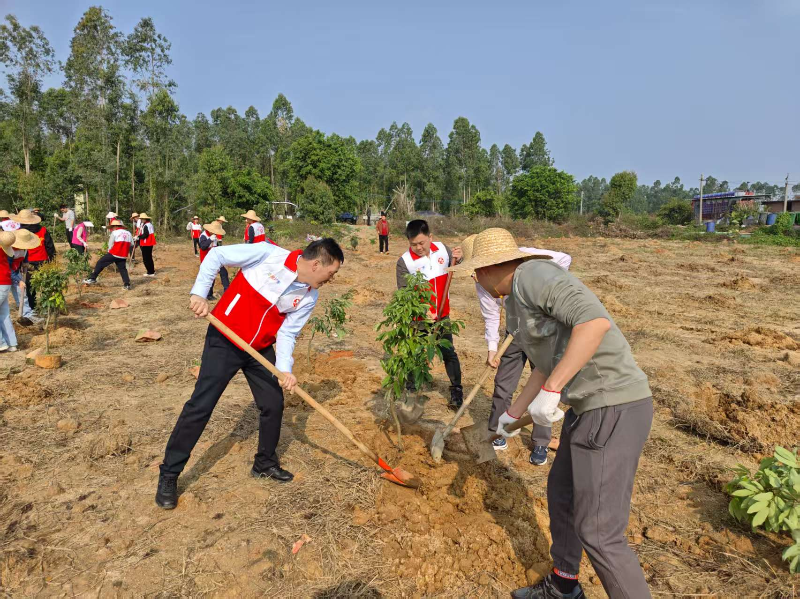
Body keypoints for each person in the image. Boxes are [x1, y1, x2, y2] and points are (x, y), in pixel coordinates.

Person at [452, 228, 653, 599]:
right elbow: (545, 365)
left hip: (612, 405)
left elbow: (593, 324)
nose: (476, 282)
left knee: (599, 532)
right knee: (561, 494)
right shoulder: (515, 300)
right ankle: (563, 586)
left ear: (487, 269)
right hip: (586, 408)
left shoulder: (535, 275)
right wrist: (511, 417)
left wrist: (552, 390)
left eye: (475, 275)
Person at [155, 237, 345, 510]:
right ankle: (169, 474)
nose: (331, 279)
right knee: (201, 405)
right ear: (316, 264)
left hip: (259, 349)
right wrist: (199, 292)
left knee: (273, 403)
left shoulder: (309, 295)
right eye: (331, 273)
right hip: (225, 339)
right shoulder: (268, 255)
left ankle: (265, 463)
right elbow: (217, 255)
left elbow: (288, 332)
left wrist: (284, 370)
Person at [459, 234, 573, 465]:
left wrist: (534, 295)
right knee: (503, 384)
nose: (476, 277)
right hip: (513, 333)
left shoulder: (523, 258)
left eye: (477, 271)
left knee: (543, 388)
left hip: (541, 331)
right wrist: (492, 349)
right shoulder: (481, 282)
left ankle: (541, 442)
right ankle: (497, 433)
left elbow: (564, 259)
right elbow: (490, 315)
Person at [396, 219, 463, 409]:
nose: (418, 247)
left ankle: (456, 390)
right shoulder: (405, 262)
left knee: (449, 352)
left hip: (443, 315)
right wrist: (423, 310)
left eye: (421, 243)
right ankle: (411, 392)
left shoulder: (443, 249)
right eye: (413, 244)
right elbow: (403, 292)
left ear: (430, 237)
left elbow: (458, 264)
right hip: (418, 320)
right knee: (415, 353)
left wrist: (461, 256)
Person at [11, 209, 55, 313]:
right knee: (45, 284)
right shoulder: (43, 230)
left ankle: (32, 307)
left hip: (27, 261)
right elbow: (49, 246)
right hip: (42, 260)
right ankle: (47, 306)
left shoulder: (20, 231)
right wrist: (52, 259)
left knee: (30, 285)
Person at [83, 220, 133, 290]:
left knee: (100, 262)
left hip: (114, 253)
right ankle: (127, 285)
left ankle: (92, 278)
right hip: (123, 255)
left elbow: (110, 244)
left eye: (112, 227)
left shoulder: (115, 232)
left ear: (115, 226)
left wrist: (109, 251)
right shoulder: (128, 233)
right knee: (122, 269)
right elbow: (132, 244)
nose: (112, 228)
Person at [9, 229, 41, 325]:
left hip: (15, 271)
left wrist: (25, 262)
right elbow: (6, 268)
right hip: (4, 273)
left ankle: (26, 313)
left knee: (22, 292)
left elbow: (25, 256)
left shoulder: (25, 248)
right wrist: (18, 280)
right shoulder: (9, 250)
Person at [197, 221, 228, 300]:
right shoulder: (203, 236)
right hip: (207, 260)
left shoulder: (213, 235)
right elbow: (203, 247)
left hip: (216, 259)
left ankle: (227, 291)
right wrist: (209, 240)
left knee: (224, 273)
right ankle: (209, 295)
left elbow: (216, 247)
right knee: (211, 277)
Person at [0, 231, 19, 352]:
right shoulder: (4, 249)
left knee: (4, 314)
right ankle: (11, 343)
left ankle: (1, 343)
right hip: (4, 282)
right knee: (4, 314)